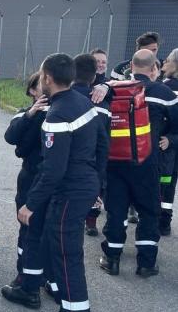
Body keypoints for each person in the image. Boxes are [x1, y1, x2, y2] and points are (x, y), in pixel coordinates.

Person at [18, 53, 101, 312]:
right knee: (60, 253)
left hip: (69, 193)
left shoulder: (58, 114)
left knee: (67, 259)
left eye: (41, 75)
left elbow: (53, 170)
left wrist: (30, 204)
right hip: (82, 187)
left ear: (48, 78)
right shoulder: (82, 102)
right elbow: (101, 143)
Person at [100, 49, 178, 277]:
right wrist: (169, 139)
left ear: (131, 67)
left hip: (115, 161)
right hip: (147, 161)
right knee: (149, 211)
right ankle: (146, 263)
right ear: (153, 68)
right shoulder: (164, 93)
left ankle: (111, 259)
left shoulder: (113, 89)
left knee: (116, 210)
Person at [0, 72, 47, 304]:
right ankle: (24, 274)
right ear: (32, 91)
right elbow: (12, 138)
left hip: (49, 179)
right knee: (27, 228)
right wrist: (31, 114)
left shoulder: (59, 111)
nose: (45, 89)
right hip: (30, 177)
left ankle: (40, 279)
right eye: (40, 86)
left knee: (42, 231)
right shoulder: (26, 114)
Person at [69, 54, 111, 238]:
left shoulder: (61, 99)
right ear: (93, 75)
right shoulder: (103, 103)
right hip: (90, 165)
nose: (102, 64)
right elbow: (104, 143)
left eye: (104, 62)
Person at [160, 48, 178, 235]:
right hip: (172, 144)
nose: (165, 62)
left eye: (168, 60)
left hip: (165, 146)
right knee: (170, 182)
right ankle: (165, 220)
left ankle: (159, 219)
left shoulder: (167, 87)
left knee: (163, 182)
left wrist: (170, 139)